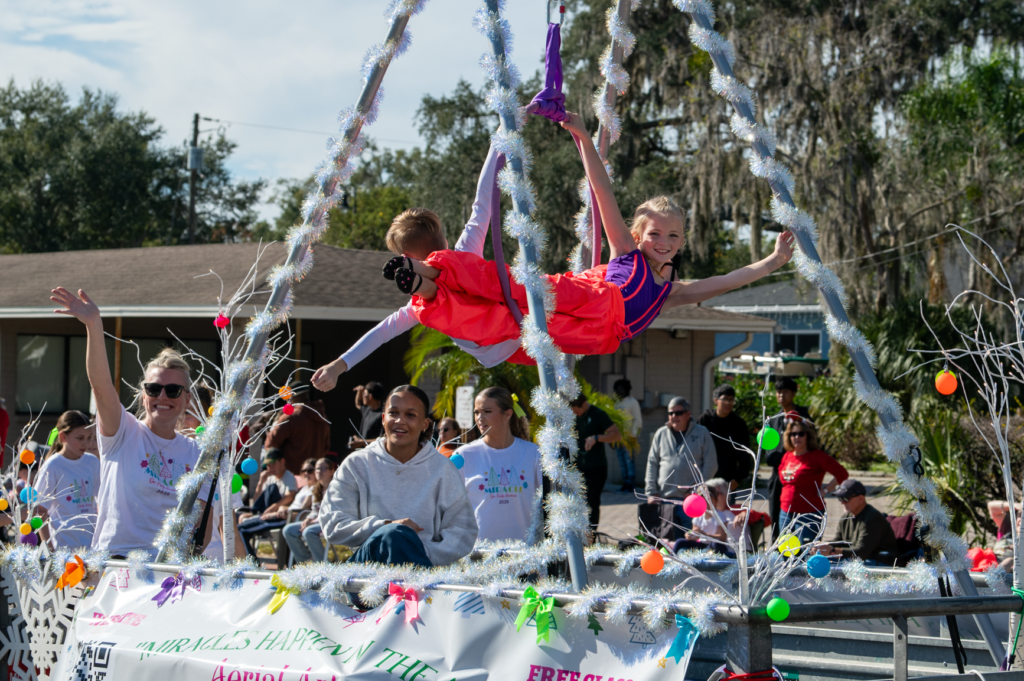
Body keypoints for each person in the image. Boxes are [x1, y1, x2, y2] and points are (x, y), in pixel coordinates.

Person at [383, 112, 795, 360]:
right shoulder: (628, 253)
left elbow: (724, 282)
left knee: (509, 321)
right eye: (655, 233)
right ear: (638, 234)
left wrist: (773, 262)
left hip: (596, 335)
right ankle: (422, 275)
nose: (663, 241)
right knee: (512, 288)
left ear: (682, 242)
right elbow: (602, 192)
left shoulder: (670, 292)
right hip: (593, 298)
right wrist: (582, 137)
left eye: (672, 235)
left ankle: (427, 282)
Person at [310, 144, 528, 394]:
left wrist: (338, 366)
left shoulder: (419, 305)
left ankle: (432, 282)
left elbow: (382, 332)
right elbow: (483, 203)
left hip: (500, 346)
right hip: (518, 325)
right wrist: (495, 145)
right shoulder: (465, 251)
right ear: (443, 242)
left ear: (406, 260)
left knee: (435, 302)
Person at [52, 286, 204, 558]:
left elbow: (202, 522)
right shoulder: (123, 432)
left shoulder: (195, 452)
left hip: (168, 573)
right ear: (144, 394)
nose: (163, 397)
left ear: (186, 398)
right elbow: (100, 386)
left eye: (173, 390)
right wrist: (94, 326)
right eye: (154, 389)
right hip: (117, 564)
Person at [319, 385, 478, 567]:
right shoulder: (356, 464)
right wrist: (386, 526)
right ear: (383, 418)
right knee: (394, 533)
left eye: (410, 415)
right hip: (368, 574)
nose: (400, 420)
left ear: (425, 424)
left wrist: (418, 552)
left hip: (424, 569)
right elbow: (333, 524)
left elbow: (463, 531)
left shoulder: (443, 469)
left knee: (398, 537)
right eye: (393, 413)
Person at [457, 387, 543, 542]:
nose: (480, 418)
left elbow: (552, 500)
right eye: (476, 412)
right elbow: (450, 507)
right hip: (478, 556)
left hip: (527, 555)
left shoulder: (534, 453)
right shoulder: (463, 455)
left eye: (487, 411)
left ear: (507, 414)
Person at [645, 397, 717, 530]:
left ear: (688, 414)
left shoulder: (702, 433)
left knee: (688, 542)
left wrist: (697, 489)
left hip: (691, 501)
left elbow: (711, 463)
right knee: (664, 543)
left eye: (678, 413)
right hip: (663, 499)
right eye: (670, 413)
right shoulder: (661, 433)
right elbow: (652, 463)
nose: (674, 416)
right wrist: (651, 492)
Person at [35, 410, 100, 549]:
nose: (86, 443)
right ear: (63, 437)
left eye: (89, 437)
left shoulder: (93, 462)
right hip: (63, 550)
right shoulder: (52, 466)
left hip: (91, 548)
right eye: (80, 438)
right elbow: (40, 511)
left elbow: (101, 502)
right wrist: (49, 548)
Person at [778, 419, 848, 545]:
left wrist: (826, 490)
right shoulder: (787, 455)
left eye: (801, 433)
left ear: (808, 436)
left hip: (809, 514)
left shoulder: (817, 456)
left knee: (807, 554)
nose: (796, 437)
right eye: (793, 434)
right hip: (786, 513)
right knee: (785, 554)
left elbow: (842, 473)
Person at [764, 377, 812, 534]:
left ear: (793, 393)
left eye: (785, 392)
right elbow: (768, 452)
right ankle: (776, 552)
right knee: (776, 518)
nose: (781, 395)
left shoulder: (805, 417)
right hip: (777, 476)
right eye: (778, 392)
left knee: (797, 521)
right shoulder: (773, 420)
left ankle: (797, 554)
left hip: (797, 476)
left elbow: (812, 443)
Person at [569, 394, 621, 533]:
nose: (575, 413)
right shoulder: (571, 416)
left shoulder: (598, 414)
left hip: (596, 467)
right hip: (577, 466)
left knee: (592, 502)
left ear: (584, 404)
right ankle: (576, 534)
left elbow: (616, 435)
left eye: (577, 410)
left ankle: (591, 535)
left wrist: (597, 438)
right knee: (575, 502)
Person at [237, 448, 298, 558]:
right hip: (265, 515)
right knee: (238, 527)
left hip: (278, 518)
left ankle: (251, 562)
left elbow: (290, 495)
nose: (270, 468)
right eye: (268, 465)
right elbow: (256, 502)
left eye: (273, 464)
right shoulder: (269, 478)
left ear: (282, 462)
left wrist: (272, 508)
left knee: (240, 530)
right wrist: (261, 482)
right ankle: (250, 560)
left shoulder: (289, 477)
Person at [818, 479, 897, 565]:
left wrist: (832, 551)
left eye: (846, 498)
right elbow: (840, 541)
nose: (842, 502)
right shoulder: (846, 516)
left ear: (860, 499)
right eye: (840, 498)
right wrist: (822, 546)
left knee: (835, 565)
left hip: (880, 561)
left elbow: (862, 553)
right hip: (863, 558)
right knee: (823, 562)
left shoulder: (873, 518)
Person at [282, 456, 338, 564]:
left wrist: (312, 522)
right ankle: (306, 564)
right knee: (288, 530)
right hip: (316, 522)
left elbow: (331, 513)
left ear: (332, 471)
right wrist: (308, 519)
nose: (319, 471)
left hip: (331, 522)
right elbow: (314, 511)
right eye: (317, 468)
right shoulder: (316, 489)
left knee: (309, 531)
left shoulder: (336, 488)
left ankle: (324, 566)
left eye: (323, 468)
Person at [697, 385, 752, 492]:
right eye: (725, 399)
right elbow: (694, 448)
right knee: (706, 509)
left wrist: (738, 478)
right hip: (705, 479)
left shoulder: (739, 424)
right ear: (716, 401)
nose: (728, 403)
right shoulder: (704, 420)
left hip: (728, 481)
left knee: (726, 509)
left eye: (731, 400)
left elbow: (745, 453)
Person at [264, 387, 330, 474]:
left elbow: (271, 443)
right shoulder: (322, 417)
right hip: (314, 474)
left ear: (292, 399)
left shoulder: (290, 417)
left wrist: (272, 427)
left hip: (292, 475)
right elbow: (326, 447)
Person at [613, 379, 643, 492]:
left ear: (626, 389)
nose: (618, 391)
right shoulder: (616, 404)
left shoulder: (632, 402)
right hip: (618, 438)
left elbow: (638, 420)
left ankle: (631, 485)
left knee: (629, 461)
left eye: (620, 388)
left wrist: (633, 435)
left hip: (629, 438)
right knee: (622, 462)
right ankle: (625, 483)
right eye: (616, 389)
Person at [346, 382, 385, 450]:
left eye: (364, 393)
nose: (362, 395)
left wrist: (361, 442)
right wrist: (359, 391)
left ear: (370, 396)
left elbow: (383, 440)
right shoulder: (367, 410)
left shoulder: (382, 416)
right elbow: (358, 404)